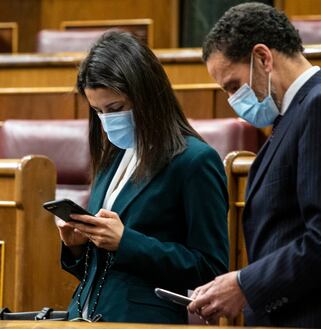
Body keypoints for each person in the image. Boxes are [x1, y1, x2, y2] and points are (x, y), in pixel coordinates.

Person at [187, 3, 321, 329]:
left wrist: (244, 284)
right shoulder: (298, 114)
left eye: (232, 85)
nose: (232, 99)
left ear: (263, 58)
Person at [55, 30, 229, 323]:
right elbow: (100, 270)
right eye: (98, 111)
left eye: (116, 108)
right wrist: (77, 245)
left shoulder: (195, 161)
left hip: (143, 321)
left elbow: (210, 267)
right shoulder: (113, 157)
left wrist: (126, 241)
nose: (107, 120)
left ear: (146, 96)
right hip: (84, 317)